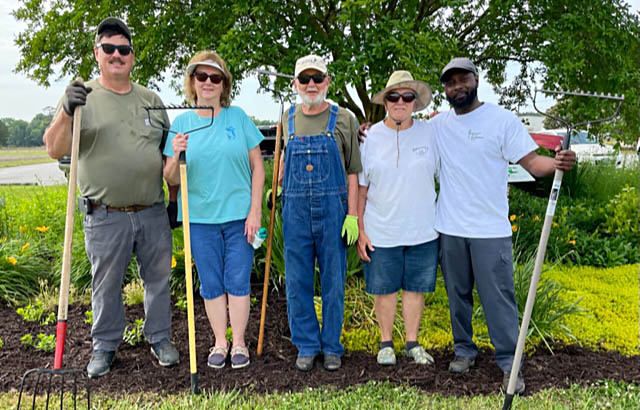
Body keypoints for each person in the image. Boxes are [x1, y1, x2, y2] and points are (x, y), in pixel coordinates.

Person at [43, 17, 179, 378]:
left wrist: (173, 201)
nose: (117, 55)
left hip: (151, 210)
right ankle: (104, 347)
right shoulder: (81, 97)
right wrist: (66, 111)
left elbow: (170, 154)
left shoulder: (151, 99)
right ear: (97, 53)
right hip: (104, 215)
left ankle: (160, 338)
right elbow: (54, 148)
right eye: (109, 49)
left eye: (124, 49)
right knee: (106, 286)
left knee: (158, 280)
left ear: (132, 56)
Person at [433, 57, 576, 394]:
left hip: (490, 230)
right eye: (450, 82)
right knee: (457, 295)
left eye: (462, 79)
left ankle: (509, 361)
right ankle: (464, 350)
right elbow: (404, 129)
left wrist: (557, 163)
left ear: (475, 80)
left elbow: (532, 162)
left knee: (498, 297)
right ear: (445, 89)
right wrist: (368, 129)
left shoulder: (501, 120)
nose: (457, 87)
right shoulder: (438, 124)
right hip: (450, 227)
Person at [163, 51, 265, 369]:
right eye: (201, 77)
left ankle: (239, 344)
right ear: (192, 82)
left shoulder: (238, 118)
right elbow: (169, 178)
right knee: (210, 283)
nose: (208, 82)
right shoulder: (181, 124)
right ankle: (219, 342)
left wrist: (255, 211)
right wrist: (175, 153)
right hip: (200, 219)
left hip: (239, 217)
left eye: (215, 77)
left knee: (237, 280)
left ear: (224, 85)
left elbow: (258, 168)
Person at [279, 54, 362, 372]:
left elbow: (353, 172)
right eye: (305, 79)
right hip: (296, 212)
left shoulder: (344, 119)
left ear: (328, 81)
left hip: (333, 213)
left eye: (317, 78)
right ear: (295, 83)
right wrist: (279, 189)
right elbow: (285, 157)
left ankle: (331, 346)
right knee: (298, 281)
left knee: (333, 282)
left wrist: (352, 215)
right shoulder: (287, 118)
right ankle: (307, 345)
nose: (311, 85)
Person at [357, 71, 439, 366]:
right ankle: (386, 343)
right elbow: (361, 190)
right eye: (394, 96)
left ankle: (413, 343)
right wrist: (361, 230)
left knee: (416, 288)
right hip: (381, 228)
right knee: (384, 289)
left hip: (424, 228)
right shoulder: (368, 137)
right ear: (386, 102)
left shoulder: (431, 133)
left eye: (407, 96)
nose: (400, 101)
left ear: (415, 102)